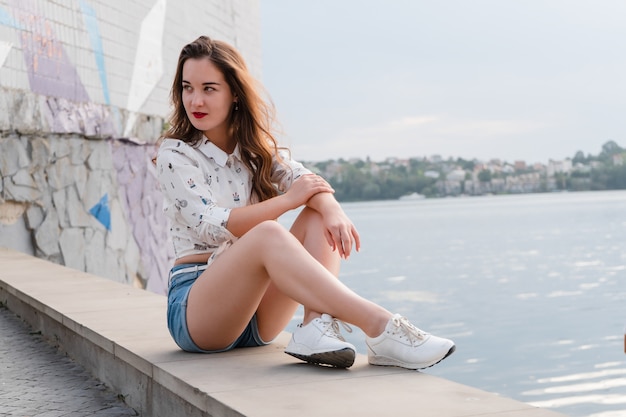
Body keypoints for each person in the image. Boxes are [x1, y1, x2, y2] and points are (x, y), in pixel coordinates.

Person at [156, 35, 455, 370]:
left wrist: (331, 209)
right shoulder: (176, 154)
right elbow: (212, 226)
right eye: (187, 87)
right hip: (198, 311)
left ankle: (315, 326)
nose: (195, 99)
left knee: (315, 215)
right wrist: (286, 202)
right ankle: (380, 326)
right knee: (269, 232)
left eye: (209, 88)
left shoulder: (255, 149)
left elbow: (304, 180)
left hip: (257, 316)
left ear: (234, 94)